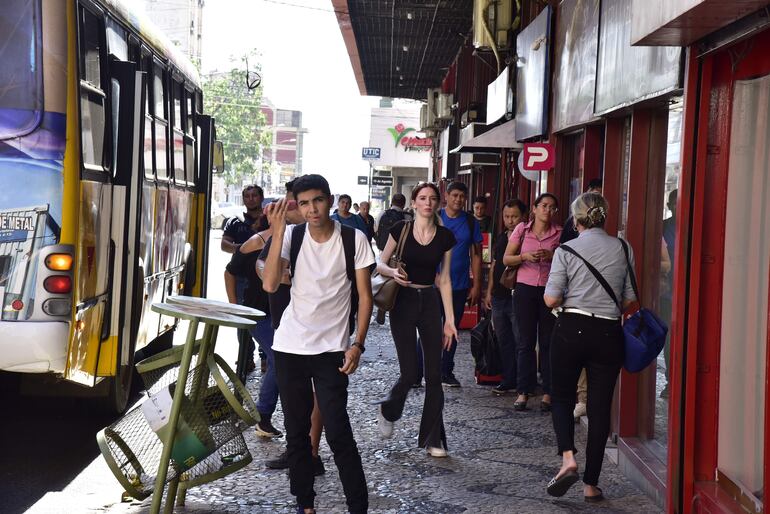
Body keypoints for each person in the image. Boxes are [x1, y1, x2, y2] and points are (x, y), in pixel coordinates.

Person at [262, 174, 374, 514]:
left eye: (318, 201)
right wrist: (278, 230)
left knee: (338, 431)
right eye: (304, 203)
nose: (312, 209)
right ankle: (305, 505)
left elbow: (366, 297)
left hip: (332, 351)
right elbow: (269, 284)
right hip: (290, 347)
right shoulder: (291, 236)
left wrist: (357, 344)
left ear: (330, 199)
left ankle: (358, 506)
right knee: (296, 433)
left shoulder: (354, 239)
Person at [543, 192, 636, 501]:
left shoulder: (566, 249)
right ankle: (591, 484)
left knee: (562, 396)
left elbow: (551, 298)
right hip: (609, 332)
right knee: (599, 408)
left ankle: (568, 459)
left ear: (576, 219)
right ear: (604, 216)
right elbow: (630, 298)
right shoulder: (623, 247)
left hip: (571, 328)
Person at [376, 182, 457, 457]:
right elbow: (380, 263)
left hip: (431, 302)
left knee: (434, 374)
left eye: (433, 198)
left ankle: (434, 439)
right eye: (423, 198)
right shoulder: (401, 229)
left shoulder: (445, 237)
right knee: (410, 373)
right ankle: (389, 408)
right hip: (404, 302)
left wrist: (451, 320)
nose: (428, 203)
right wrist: (392, 272)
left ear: (438, 203)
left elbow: (444, 279)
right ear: (414, 203)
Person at [503, 193, 562, 412]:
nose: (548, 210)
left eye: (552, 207)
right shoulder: (521, 230)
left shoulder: (559, 233)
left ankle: (548, 392)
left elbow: (567, 262)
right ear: (535, 209)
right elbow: (506, 259)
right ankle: (523, 391)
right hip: (525, 289)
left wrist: (551, 255)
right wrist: (525, 257)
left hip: (549, 290)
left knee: (548, 342)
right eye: (544, 205)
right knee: (525, 342)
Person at [426, 181, 482, 388]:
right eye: (455, 195)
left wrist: (476, 285)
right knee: (428, 328)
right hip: (432, 285)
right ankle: (417, 372)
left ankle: (446, 371)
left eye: (462, 196)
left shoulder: (470, 221)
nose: (458, 199)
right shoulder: (434, 217)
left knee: (452, 328)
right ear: (446, 196)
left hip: (458, 286)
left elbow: (476, 255)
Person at [559, 178, 602, 420]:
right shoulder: (620, 247)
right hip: (594, 311)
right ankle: (584, 399)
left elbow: (551, 296)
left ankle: (583, 400)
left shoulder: (618, 244)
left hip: (582, 312)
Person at [221, 184, 268, 377]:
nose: (251, 199)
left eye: (254, 195)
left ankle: (265, 356)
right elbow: (224, 244)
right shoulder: (234, 221)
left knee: (266, 317)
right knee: (242, 318)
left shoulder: (269, 220)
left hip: (265, 277)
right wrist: (243, 248)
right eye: (247, 196)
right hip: (240, 276)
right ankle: (245, 356)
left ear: (261, 197)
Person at [483, 199, 527, 396]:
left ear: (523, 217)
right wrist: (489, 291)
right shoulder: (501, 237)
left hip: (518, 296)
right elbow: (494, 265)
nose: (510, 220)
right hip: (499, 296)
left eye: (515, 216)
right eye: (507, 216)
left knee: (521, 341)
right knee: (504, 340)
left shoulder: (527, 238)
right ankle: (508, 379)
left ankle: (523, 382)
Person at [660, 189, 677, 398]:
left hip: (687, 291)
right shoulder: (663, 227)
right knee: (669, 338)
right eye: (674, 203)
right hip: (666, 293)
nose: (677, 207)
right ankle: (671, 381)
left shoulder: (695, 225)